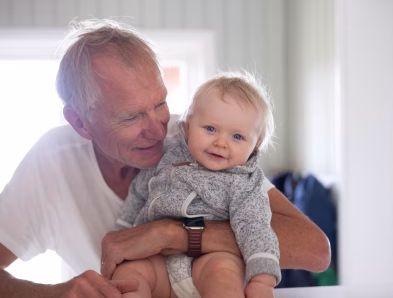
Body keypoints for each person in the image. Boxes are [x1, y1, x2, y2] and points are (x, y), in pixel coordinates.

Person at [0, 19, 330, 298]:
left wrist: (175, 234)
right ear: (80, 122)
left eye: (160, 103)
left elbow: (315, 250)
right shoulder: (51, 164)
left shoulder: (193, 137)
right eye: (130, 118)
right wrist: (54, 293)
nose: (159, 131)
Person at [114, 71, 281, 298]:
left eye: (237, 137)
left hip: (210, 261)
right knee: (128, 276)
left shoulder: (246, 182)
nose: (221, 143)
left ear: (255, 144)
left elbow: (256, 227)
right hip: (157, 260)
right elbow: (139, 191)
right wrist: (124, 233)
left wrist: (263, 280)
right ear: (188, 126)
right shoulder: (167, 156)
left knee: (224, 275)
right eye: (210, 129)